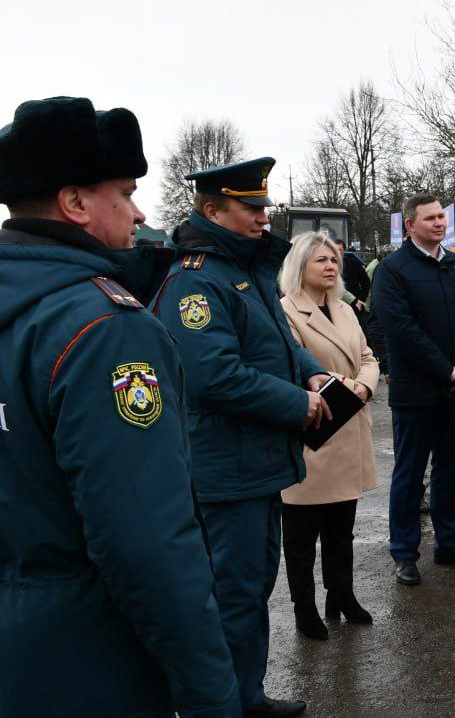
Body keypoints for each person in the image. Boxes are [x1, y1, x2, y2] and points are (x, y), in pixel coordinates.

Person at [0, 96, 238, 715]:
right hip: (90, 660)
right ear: (75, 203)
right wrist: (212, 693)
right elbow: (148, 543)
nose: (137, 213)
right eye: (126, 192)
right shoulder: (104, 329)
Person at [153, 156, 332, 718]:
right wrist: (298, 404)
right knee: (232, 593)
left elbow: (275, 340)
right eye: (250, 208)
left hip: (253, 465)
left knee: (252, 587)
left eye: (263, 207)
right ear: (212, 209)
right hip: (225, 471)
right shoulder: (195, 280)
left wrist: (310, 369)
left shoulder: (243, 269)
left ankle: (246, 696)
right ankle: (221, 705)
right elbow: (213, 377)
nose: (263, 217)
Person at [372, 193, 455, 586]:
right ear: (410, 225)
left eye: (442, 217)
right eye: (431, 218)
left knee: (450, 471)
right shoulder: (392, 270)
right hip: (417, 391)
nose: (440, 223)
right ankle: (405, 553)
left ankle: (449, 544)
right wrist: (446, 370)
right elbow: (401, 332)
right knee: (409, 474)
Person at [279, 232, 380, 640]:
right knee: (301, 536)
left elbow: (369, 357)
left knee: (342, 528)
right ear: (300, 265)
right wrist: (343, 384)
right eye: (321, 259)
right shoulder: (285, 311)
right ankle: (304, 606)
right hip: (315, 433)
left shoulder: (344, 309)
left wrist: (365, 386)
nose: (331, 266)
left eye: (334, 259)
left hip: (350, 426)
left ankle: (341, 594)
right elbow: (291, 364)